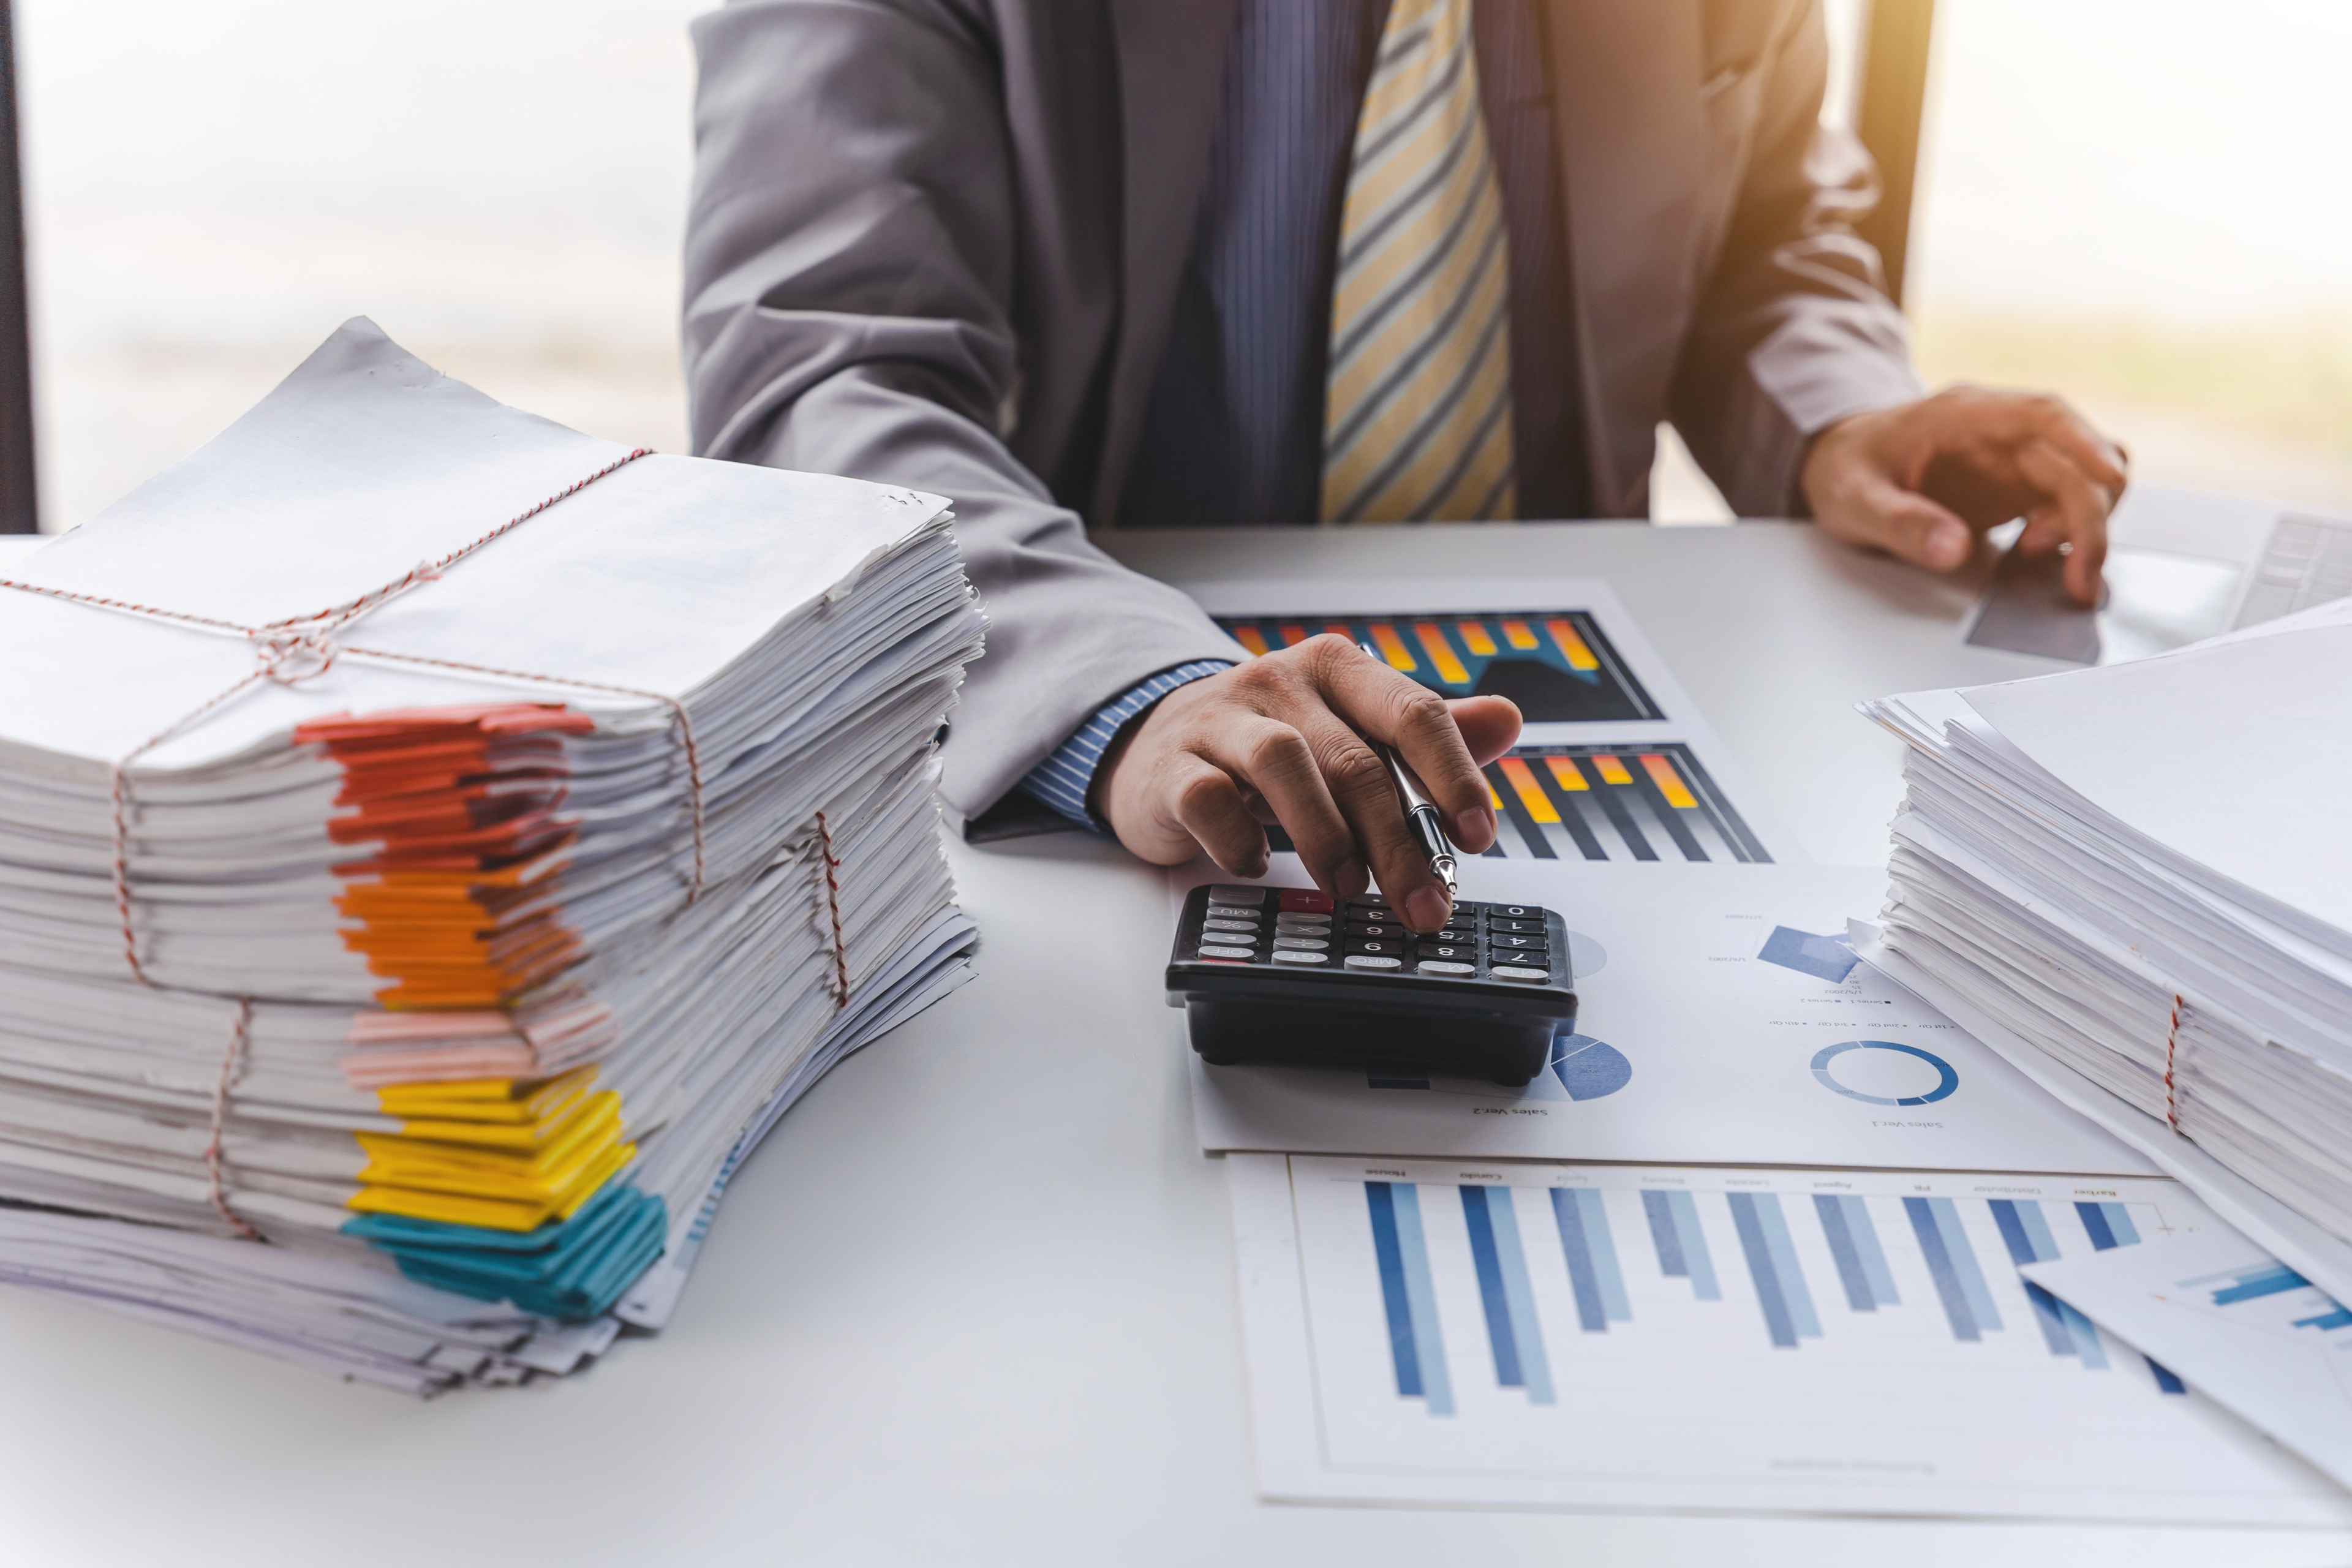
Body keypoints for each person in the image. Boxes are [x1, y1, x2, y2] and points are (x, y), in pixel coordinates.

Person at [682, 0, 2127, 935]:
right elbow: (821, 370)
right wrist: (1117, 694)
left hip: (1567, 728)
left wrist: (1836, 412)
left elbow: (1761, 234)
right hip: (1117, 740)